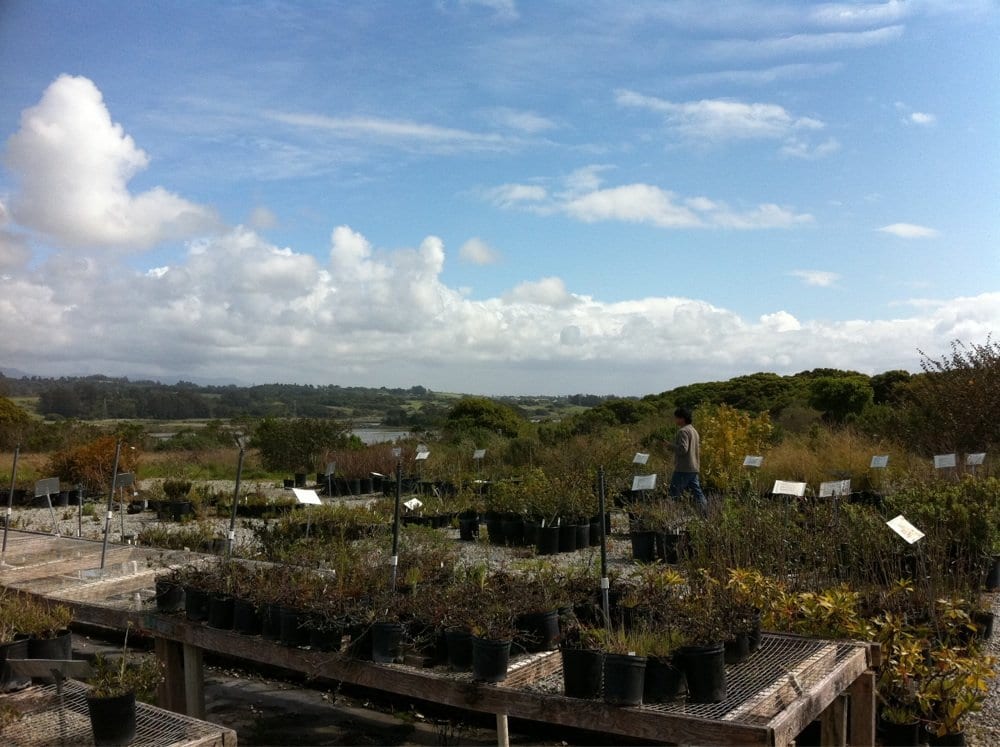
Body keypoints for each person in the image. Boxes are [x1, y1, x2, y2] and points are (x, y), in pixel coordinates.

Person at [669, 407, 708, 515]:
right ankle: (706, 514)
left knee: (674, 492)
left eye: (676, 417)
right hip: (694, 467)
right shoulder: (694, 430)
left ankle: (671, 515)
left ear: (682, 419)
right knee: (697, 493)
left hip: (683, 468)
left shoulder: (683, 431)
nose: (675, 420)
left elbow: (683, 449)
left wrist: (670, 446)